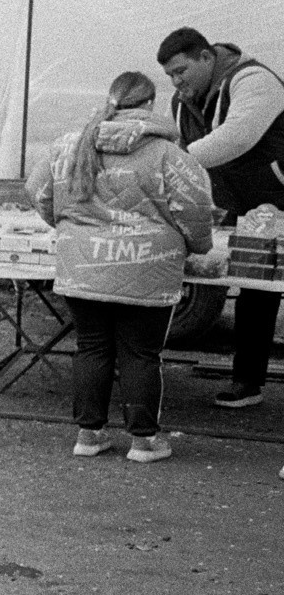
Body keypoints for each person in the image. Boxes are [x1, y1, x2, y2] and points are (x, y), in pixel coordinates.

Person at [29, 71, 214, 463]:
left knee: (91, 347)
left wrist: (68, 228)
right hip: (148, 267)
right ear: (149, 104)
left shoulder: (69, 144)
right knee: (141, 353)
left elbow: (37, 191)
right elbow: (195, 211)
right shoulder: (170, 155)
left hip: (82, 266)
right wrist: (198, 247)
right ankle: (144, 442)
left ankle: (89, 436)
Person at [157, 26, 284, 408]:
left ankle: (248, 380)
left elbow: (237, 137)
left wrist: (171, 164)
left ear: (207, 57)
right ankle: (248, 383)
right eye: (170, 76)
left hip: (279, 198)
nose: (177, 81)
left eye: (181, 71)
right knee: (253, 289)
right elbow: (173, 141)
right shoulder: (183, 100)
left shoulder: (254, 80)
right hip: (236, 206)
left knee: (263, 290)